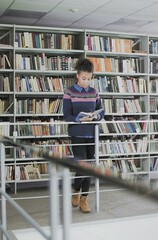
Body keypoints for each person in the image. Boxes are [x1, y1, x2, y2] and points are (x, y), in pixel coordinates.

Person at [62, 58, 104, 213]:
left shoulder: (94, 92)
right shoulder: (69, 92)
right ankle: (76, 189)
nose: (87, 82)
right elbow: (67, 116)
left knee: (90, 166)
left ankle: (84, 199)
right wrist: (79, 119)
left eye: (89, 79)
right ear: (77, 76)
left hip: (92, 133)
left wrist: (96, 117)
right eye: (84, 78)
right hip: (77, 133)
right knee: (82, 165)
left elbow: (101, 111)